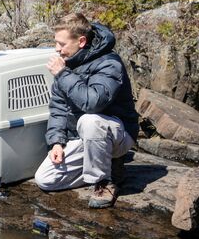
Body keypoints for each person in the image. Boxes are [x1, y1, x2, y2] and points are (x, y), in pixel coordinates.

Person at [34, 13, 139, 208]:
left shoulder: (109, 63)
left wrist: (63, 74)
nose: (57, 49)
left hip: (118, 134)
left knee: (90, 120)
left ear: (81, 41)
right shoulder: (68, 64)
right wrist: (56, 142)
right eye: (56, 43)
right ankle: (109, 168)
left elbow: (93, 103)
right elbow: (58, 108)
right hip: (85, 138)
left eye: (62, 44)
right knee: (45, 179)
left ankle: (104, 182)